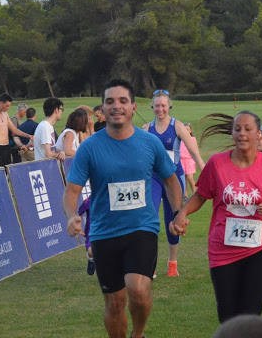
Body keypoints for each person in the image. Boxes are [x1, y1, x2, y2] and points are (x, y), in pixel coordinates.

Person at [63, 79, 182, 338]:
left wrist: (178, 213)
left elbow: (171, 180)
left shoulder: (149, 143)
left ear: (133, 107)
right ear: (102, 110)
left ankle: (138, 334)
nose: (116, 106)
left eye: (122, 101)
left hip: (142, 227)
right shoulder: (90, 147)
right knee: (115, 303)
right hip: (105, 232)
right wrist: (72, 216)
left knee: (138, 290)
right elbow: (72, 191)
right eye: (110, 102)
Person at [170, 111, 262, 323]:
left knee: (249, 314)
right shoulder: (217, 164)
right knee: (227, 316)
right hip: (223, 249)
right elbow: (201, 195)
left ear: (258, 135)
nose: (242, 134)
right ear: (232, 133)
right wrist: (182, 213)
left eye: (248, 129)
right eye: (237, 129)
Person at [143, 89, 206, 277]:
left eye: (163, 105)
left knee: (174, 220)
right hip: (154, 179)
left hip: (174, 179)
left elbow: (194, 152)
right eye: (156, 106)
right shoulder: (146, 129)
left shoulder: (177, 126)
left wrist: (205, 169)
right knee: (150, 219)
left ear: (169, 106)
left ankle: (172, 263)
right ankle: (150, 265)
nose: (160, 109)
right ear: (152, 107)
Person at [0, 93, 32, 168]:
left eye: (9, 106)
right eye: (7, 106)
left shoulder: (5, 114)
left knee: (7, 172)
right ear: (0, 103)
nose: (8, 108)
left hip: (6, 148)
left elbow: (14, 130)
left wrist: (28, 136)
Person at [33, 97, 65, 162]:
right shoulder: (45, 127)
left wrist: (60, 151)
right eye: (61, 109)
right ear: (56, 110)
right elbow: (48, 154)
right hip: (44, 167)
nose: (62, 112)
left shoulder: (48, 126)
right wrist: (59, 154)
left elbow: (52, 148)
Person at [178, 123, 198, 196]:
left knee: (190, 178)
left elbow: (195, 150)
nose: (186, 131)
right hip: (181, 160)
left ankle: (194, 193)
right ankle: (185, 195)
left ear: (190, 131)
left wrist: (196, 161)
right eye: (184, 130)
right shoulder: (179, 139)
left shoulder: (192, 139)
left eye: (187, 129)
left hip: (189, 160)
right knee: (184, 179)